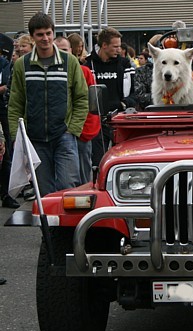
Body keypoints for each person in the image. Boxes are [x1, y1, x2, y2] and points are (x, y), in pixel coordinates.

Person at [8, 12, 88, 197]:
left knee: (68, 188)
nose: (45, 38)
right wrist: (16, 136)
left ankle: (68, 227)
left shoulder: (70, 62)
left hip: (64, 136)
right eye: (40, 34)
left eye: (48, 33)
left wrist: (73, 129)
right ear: (33, 37)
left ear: (53, 33)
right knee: (44, 194)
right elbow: (15, 104)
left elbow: (82, 98)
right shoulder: (22, 64)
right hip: (35, 139)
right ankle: (49, 228)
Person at [84, 26, 136, 166]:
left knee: (123, 161)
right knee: (98, 161)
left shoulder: (124, 64)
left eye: (119, 46)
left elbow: (134, 92)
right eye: (115, 47)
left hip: (120, 119)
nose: (119, 50)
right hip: (97, 120)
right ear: (104, 45)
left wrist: (124, 104)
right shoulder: (88, 63)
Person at [55, 36, 100, 184]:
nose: (61, 53)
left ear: (71, 50)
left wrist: (80, 130)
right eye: (57, 50)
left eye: (64, 50)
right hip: (52, 133)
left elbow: (89, 103)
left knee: (82, 176)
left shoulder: (84, 72)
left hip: (79, 132)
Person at [0, 49, 20, 208]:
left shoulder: (4, 64)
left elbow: (6, 87)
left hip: (3, 112)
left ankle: (7, 194)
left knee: (5, 152)